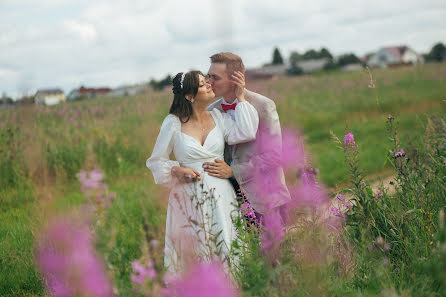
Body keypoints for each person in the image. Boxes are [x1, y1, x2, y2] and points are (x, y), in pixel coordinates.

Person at [146, 70, 259, 274]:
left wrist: (240, 96)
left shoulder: (219, 118)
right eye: (202, 84)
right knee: (195, 251)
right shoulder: (173, 122)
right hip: (188, 197)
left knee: (226, 246)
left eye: (207, 81)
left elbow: (247, 131)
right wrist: (176, 170)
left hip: (222, 196)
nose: (209, 85)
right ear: (189, 96)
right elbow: (156, 160)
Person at [204, 52, 291, 222]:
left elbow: (274, 156)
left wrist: (233, 171)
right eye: (208, 76)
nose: (209, 83)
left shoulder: (263, 105)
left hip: (266, 201)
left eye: (215, 78)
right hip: (229, 203)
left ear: (235, 79)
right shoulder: (211, 111)